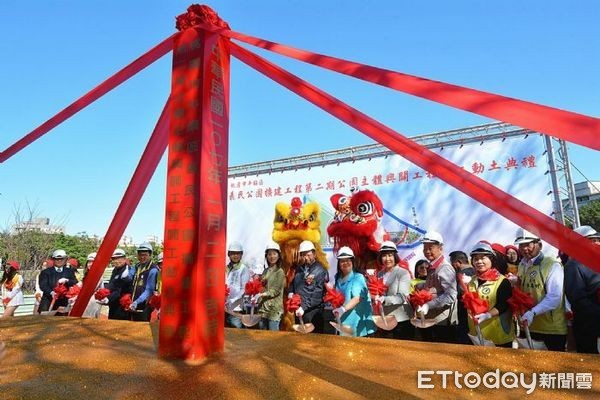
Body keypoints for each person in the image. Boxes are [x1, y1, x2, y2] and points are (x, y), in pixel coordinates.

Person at [515, 228, 567, 351]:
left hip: (551, 329)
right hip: (528, 326)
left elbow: (554, 297)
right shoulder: (522, 264)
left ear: (540, 244)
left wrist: (533, 312)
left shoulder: (552, 265)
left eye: (528, 244)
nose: (524, 249)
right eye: (521, 245)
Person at [465, 242, 515, 347]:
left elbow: (504, 305)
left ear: (491, 260)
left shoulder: (502, 281)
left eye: (483, 258)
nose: (479, 261)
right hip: (477, 334)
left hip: (498, 335)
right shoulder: (472, 281)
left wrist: (488, 315)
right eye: (476, 259)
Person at [416, 231, 458, 343]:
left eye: (431, 247)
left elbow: (450, 295)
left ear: (440, 248)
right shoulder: (432, 266)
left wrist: (428, 305)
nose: (427, 251)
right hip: (432, 320)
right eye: (425, 248)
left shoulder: (444, 268)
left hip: (441, 322)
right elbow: (436, 287)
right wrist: (421, 286)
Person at [563, 225, 600, 354]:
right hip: (588, 325)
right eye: (591, 240)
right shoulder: (573, 266)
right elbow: (578, 300)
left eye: (597, 239)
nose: (597, 243)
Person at [332, 246, 376, 337]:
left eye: (348, 260)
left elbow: (357, 298)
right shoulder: (338, 278)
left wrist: (343, 309)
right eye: (342, 261)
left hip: (358, 325)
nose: (345, 263)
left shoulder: (358, 277)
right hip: (343, 322)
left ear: (352, 261)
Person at [376, 241, 413, 339]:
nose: (387, 259)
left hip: (401, 319)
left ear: (395, 257)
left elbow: (402, 297)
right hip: (385, 319)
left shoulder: (403, 273)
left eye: (390, 255)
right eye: (384, 256)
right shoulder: (379, 274)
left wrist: (384, 299)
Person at [289, 240, 329, 333]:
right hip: (299, 310)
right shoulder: (300, 268)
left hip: (313, 312)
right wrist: (291, 292)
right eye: (303, 255)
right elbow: (293, 283)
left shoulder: (320, 270)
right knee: (300, 342)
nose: (306, 258)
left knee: (314, 342)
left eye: (308, 255)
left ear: (314, 254)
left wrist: (303, 307)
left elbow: (317, 294)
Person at [38, 249, 78, 315]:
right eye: (57, 259)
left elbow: (74, 282)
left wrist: (67, 281)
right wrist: (51, 292)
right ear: (53, 259)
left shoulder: (69, 271)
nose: (59, 260)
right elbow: (43, 285)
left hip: (63, 302)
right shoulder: (45, 272)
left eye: (61, 259)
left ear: (65, 259)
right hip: (48, 301)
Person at [256, 241, 285, 331]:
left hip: (274, 310)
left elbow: (275, 291)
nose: (272, 256)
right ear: (266, 256)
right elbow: (262, 287)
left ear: (278, 255)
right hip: (262, 309)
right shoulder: (265, 271)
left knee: (273, 338)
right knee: (261, 337)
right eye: (269, 254)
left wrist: (261, 295)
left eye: (274, 254)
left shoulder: (280, 272)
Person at [449, 250, 475, 345]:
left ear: (458, 262)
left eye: (452, 263)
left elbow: (459, 294)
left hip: (465, 313)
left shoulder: (461, 275)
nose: (452, 266)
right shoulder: (477, 272)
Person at [129, 242, 159, 322]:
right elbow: (129, 279)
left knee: (142, 330)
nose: (142, 257)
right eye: (140, 255)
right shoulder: (137, 266)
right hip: (133, 305)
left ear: (150, 255)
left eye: (145, 255)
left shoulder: (153, 270)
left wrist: (137, 302)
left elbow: (149, 290)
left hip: (144, 306)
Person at [101, 248, 133, 320]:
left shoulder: (127, 271)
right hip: (114, 305)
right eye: (114, 259)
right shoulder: (115, 270)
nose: (117, 261)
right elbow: (112, 284)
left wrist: (108, 299)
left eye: (119, 258)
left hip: (122, 306)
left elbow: (119, 289)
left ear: (125, 259)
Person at [225, 241, 251, 328]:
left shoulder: (243, 269)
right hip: (224, 308)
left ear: (241, 254)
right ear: (229, 254)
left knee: (237, 335)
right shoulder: (226, 268)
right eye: (233, 253)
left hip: (236, 309)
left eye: (238, 253)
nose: (235, 256)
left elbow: (244, 289)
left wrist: (233, 300)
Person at [79, 252, 103, 318]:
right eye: (89, 262)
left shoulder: (98, 275)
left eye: (93, 262)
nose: (90, 264)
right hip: (85, 302)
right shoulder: (87, 274)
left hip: (93, 302)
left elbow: (91, 289)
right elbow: (81, 285)